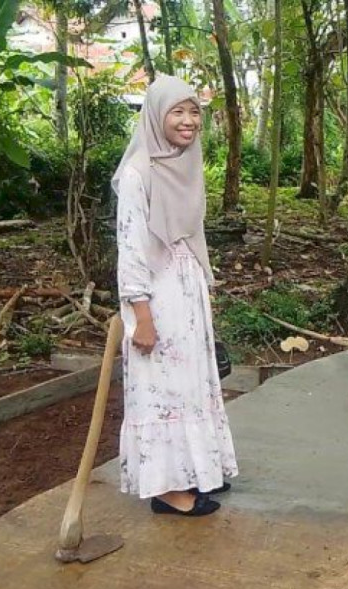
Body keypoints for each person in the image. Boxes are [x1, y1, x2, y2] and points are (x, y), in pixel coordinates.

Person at [112, 74, 237, 516]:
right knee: (160, 390)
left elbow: (189, 236)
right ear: (155, 115)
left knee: (189, 387)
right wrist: (141, 315)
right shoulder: (137, 172)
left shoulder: (186, 163)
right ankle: (166, 490)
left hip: (185, 294)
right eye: (177, 111)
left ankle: (196, 470)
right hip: (154, 296)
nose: (188, 121)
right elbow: (129, 247)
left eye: (194, 111)